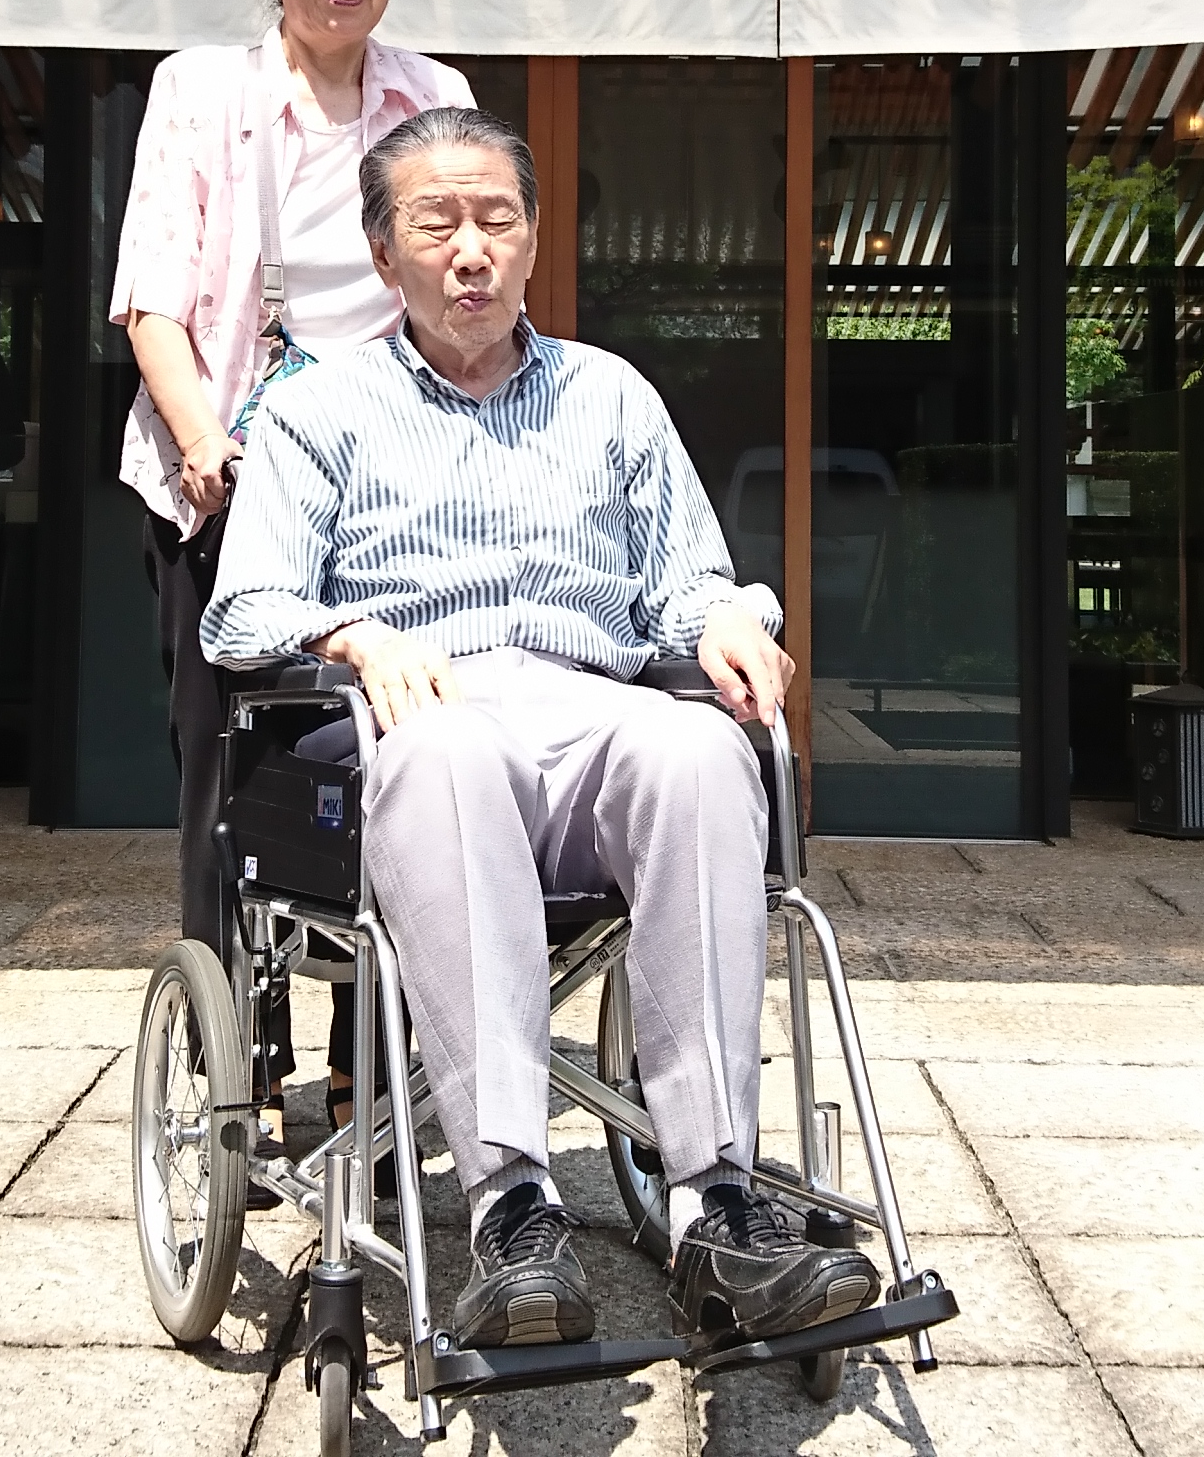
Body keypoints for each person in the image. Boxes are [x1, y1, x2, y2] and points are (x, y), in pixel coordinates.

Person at [204, 106, 882, 1353]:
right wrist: (356, 638)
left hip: (591, 703)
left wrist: (730, 617)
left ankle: (718, 1205)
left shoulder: (610, 396)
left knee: (699, 746)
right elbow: (242, 611)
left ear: (531, 242)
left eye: (497, 219)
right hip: (420, 710)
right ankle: (513, 1205)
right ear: (382, 249)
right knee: (453, 753)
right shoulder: (319, 410)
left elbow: (681, 579)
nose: (471, 249)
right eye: (437, 221)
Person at [109, 0, 474, 1123]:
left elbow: (453, 272)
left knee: (387, 751)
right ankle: (233, 1047)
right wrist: (207, 447)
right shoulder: (201, 93)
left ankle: (358, 1046)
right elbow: (153, 297)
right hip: (217, 468)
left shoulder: (434, 94)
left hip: (379, 485)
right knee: (223, 765)